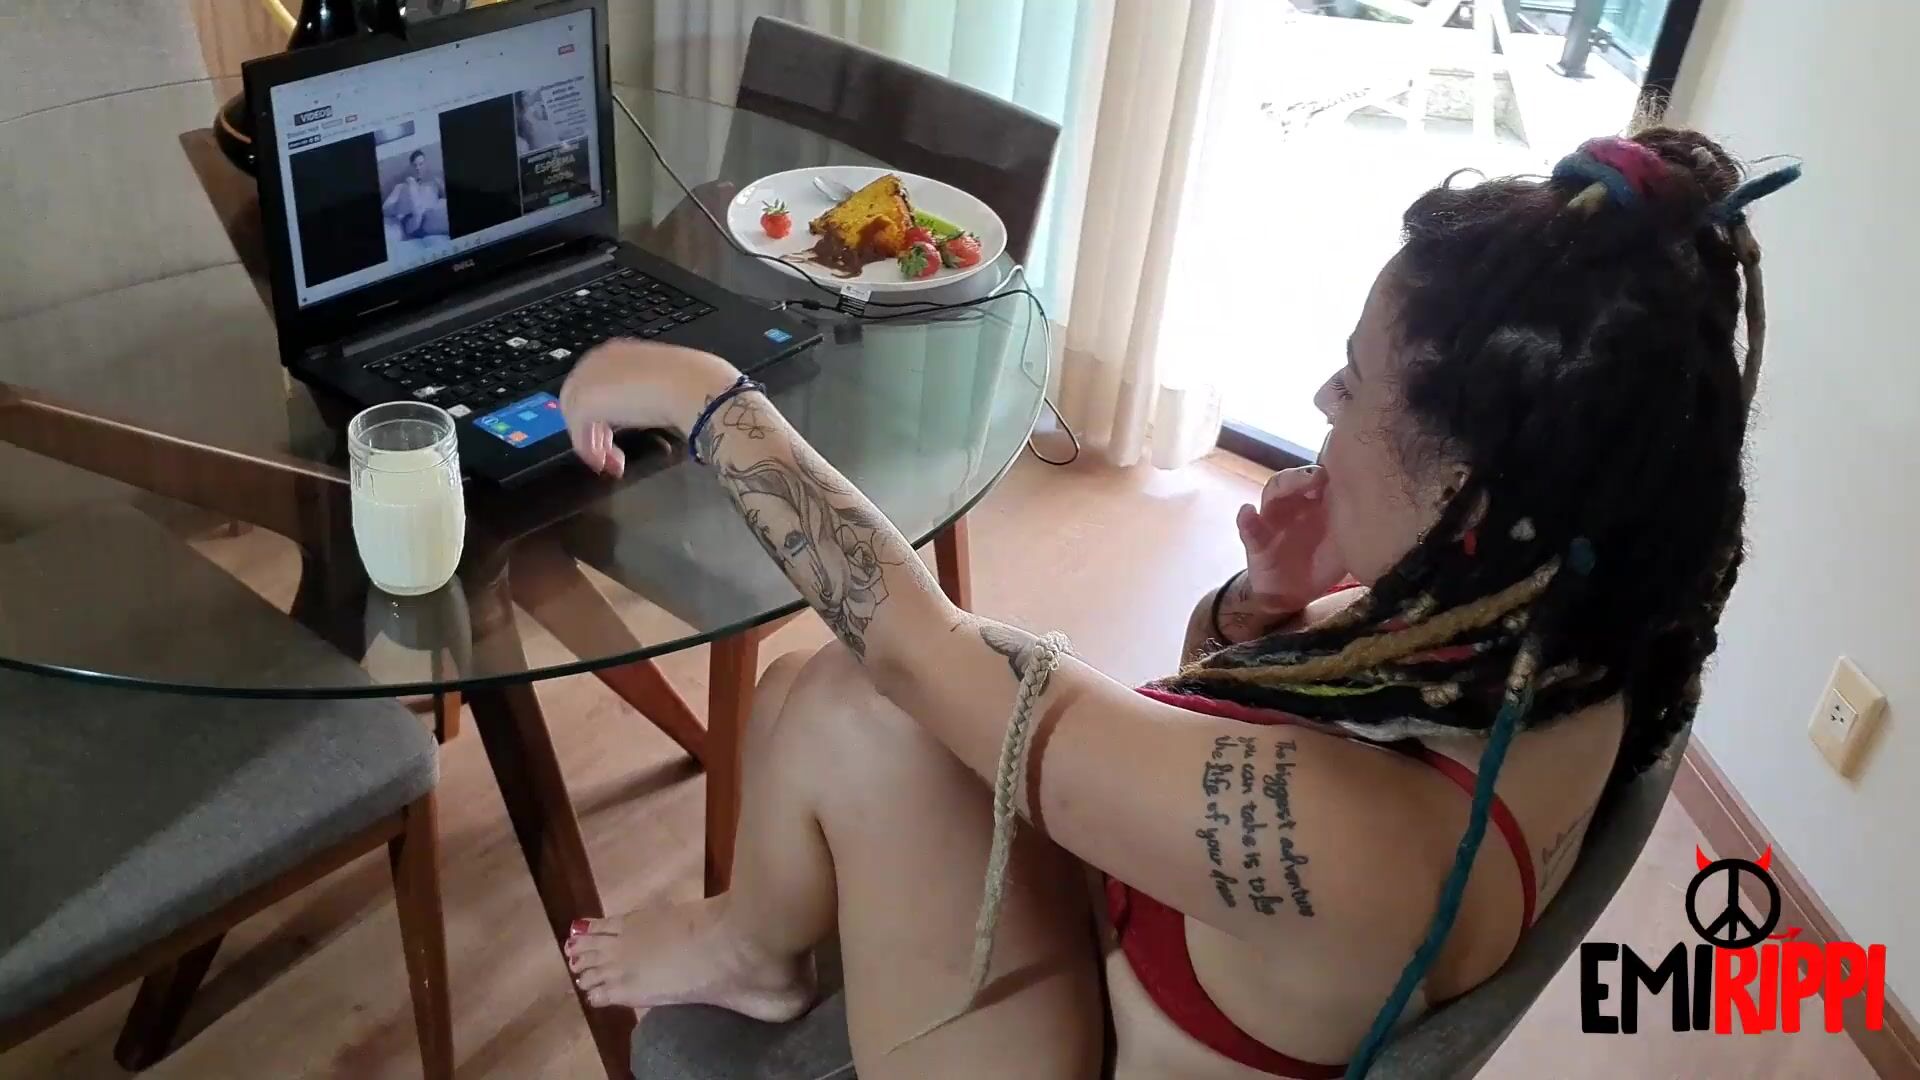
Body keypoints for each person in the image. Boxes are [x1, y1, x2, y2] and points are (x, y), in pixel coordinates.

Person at [557, 127, 1796, 1077]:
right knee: (805, 694)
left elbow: (920, 654)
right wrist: (1266, 610)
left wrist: (710, 401)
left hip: (1082, 1039)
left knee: (851, 705)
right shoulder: (1563, 633)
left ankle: (755, 949)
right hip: (1152, 958)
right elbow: (1227, 715)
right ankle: (759, 944)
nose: (1323, 401)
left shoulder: (1357, 845)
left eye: (1355, 385)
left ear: (1467, 502)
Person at [383, 149, 445, 240]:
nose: (418, 168)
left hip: (432, 216)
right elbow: (385, 209)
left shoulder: (433, 184)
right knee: (411, 184)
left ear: (426, 164)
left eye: (421, 164)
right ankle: (417, 213)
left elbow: (444, 197)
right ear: (410, 167)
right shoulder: (401, 187)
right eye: (414, 165)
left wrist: (440, 184)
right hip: (412, 222)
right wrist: (400, 207)